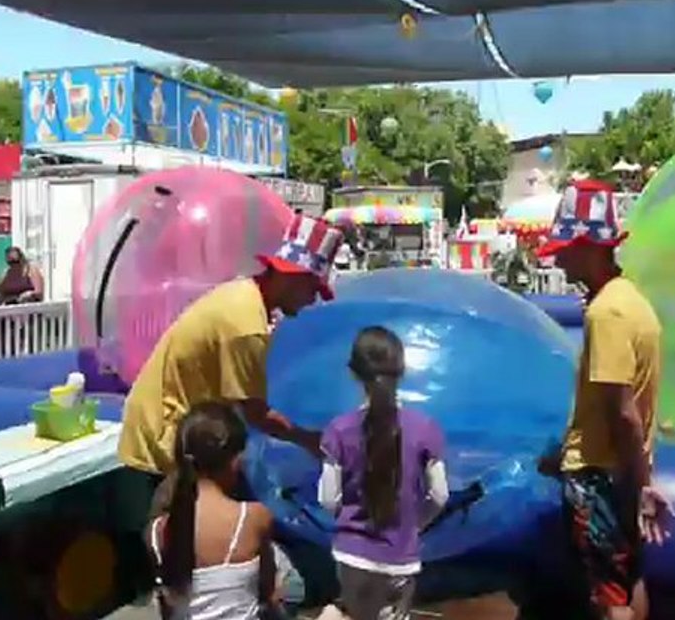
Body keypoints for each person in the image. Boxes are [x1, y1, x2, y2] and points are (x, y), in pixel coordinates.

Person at [536, 180, 675, 620]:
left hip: (599, 475)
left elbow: (623, 413)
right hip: (622, 471)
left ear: (590, 248)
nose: (558, 257)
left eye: (566, 248)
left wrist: (640, 483)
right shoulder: (629, 298)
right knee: (629, 577)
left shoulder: (607, 314)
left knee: (607, 597)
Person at [119, 213, 345, 481]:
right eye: (313, 288)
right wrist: (312, 441)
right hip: (163, 438)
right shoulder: (247, 325)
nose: (312, 299)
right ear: (292, 277)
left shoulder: (243, 294)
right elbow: (257, 415)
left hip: (154, 419)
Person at [318, 326, 449, 620]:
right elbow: (440, 495)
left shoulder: (338, 430)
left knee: (352, 609)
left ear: (353, 373)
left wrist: (349, 519)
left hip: (351, 553)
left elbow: (328, 499)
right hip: (399, 557)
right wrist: (414, 524)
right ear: (401, 372)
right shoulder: (425, 428)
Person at [147, 400, 280, 620]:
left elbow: (166, 608)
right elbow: (268, 595)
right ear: (236, 461)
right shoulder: (253, 517)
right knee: (293, 581)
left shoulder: (156, 533)